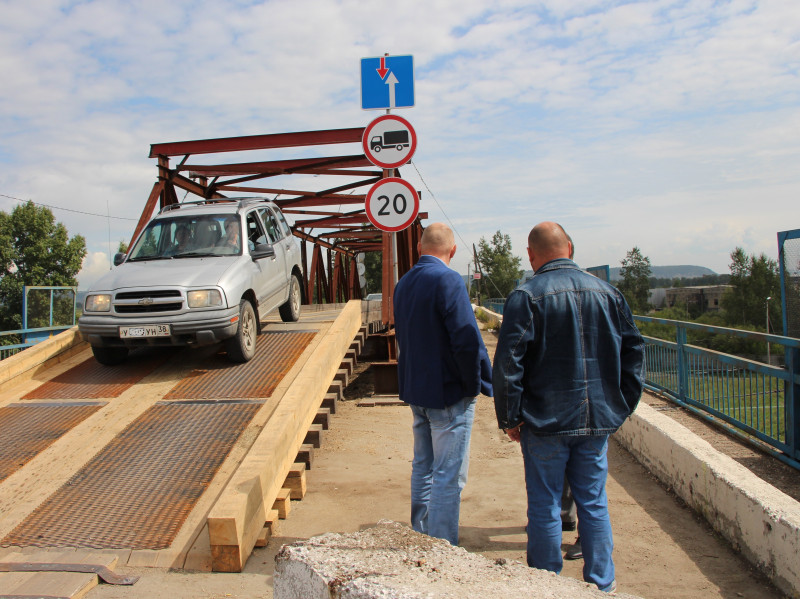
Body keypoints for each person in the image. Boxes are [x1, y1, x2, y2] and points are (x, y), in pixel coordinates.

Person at [492, 221, 644, 593]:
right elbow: (634, 354)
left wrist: (511, 417)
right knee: (593, 501)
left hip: (544, 422)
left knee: (544, 504)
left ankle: (548, 587)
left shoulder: (526, 297)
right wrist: (619, 406)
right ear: (570, 248)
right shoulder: (609, 293)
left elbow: (509, 364)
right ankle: (602, 585)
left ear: (531, 255)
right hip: (596, 421)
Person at [393, 222, 493, 546]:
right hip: (447, 394)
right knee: (449, 474)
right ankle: (442, 547)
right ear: (453, 250)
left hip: (417, 391)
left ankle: (422, 535)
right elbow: (466, 339)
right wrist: (473, 385)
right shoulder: (448, 279)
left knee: (423, 466)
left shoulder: (403, 283)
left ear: (419, 248)